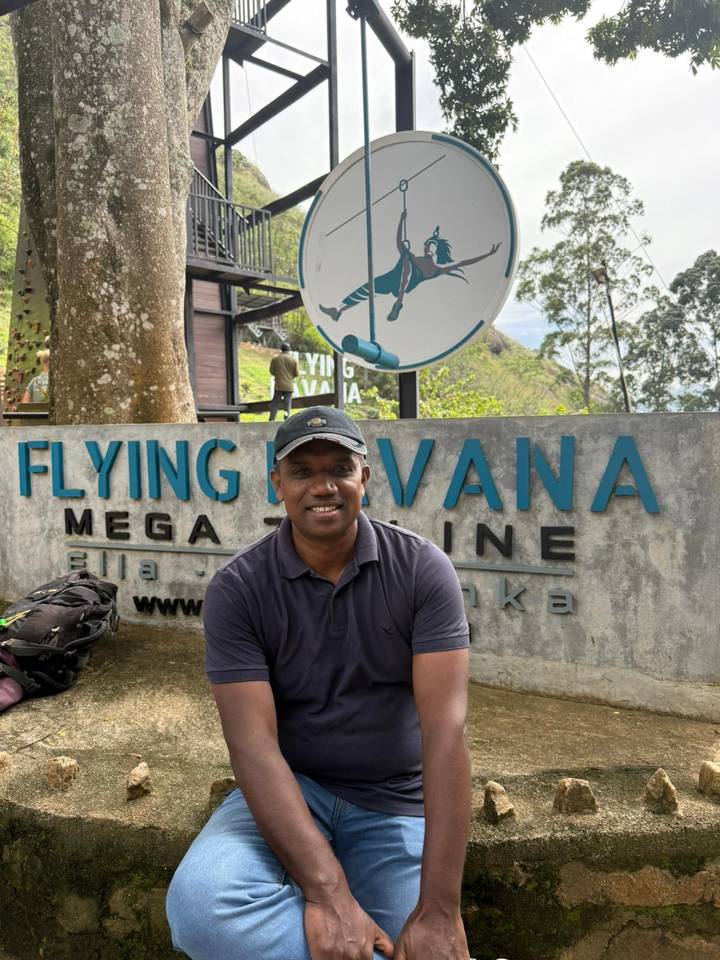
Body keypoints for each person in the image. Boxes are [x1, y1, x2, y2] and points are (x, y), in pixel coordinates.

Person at [166, 406, 473, 960]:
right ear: (278, 484)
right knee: (202, 914)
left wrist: (441, 910)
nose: (323, 486)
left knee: (432, 945)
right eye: (303, 471)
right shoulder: (239, 588)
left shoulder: (423, 570)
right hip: (291, 792)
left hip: (395, 802)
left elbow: (446, 734)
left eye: (339, 467)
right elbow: (251, 743)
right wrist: (327, 892)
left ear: (365, 479)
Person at [320, 210, 502, 324]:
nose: (428, 247)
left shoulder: (436, 269)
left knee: (407, 261)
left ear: (436, 250)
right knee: (365, 289)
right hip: (391, 279)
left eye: (432, 245)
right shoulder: (411, 255)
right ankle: (338, 311)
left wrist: (488, 255)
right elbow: (398, 242)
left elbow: (462, 263)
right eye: (427, 244)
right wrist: (401, 219)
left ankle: (398, 303)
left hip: (406, 285)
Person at [269, 342, 299, 421]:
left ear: (281, 349)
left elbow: (271, 371)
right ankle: (286, 419)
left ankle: (272, 419)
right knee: (287, 404)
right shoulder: (293, 359)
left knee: (275, 403)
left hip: (278, 385)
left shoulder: (275, 359)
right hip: (289, 385)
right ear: (289, 350)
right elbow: (296, 373)